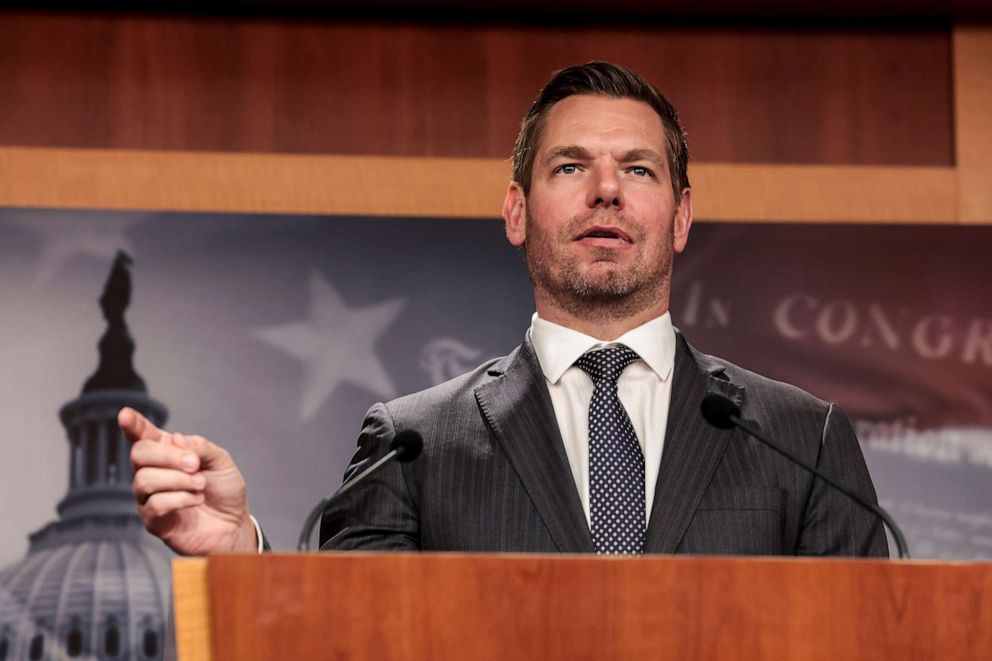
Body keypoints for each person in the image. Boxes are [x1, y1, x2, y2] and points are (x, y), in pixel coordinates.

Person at [121, 62, 888, 557]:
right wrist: (242, 561)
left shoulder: (801, 441)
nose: (607, 190)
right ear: (517, 212)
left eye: (638, 168)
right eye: (570, 165)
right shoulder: (412, 443)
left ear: (681, 217)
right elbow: (346, 641)